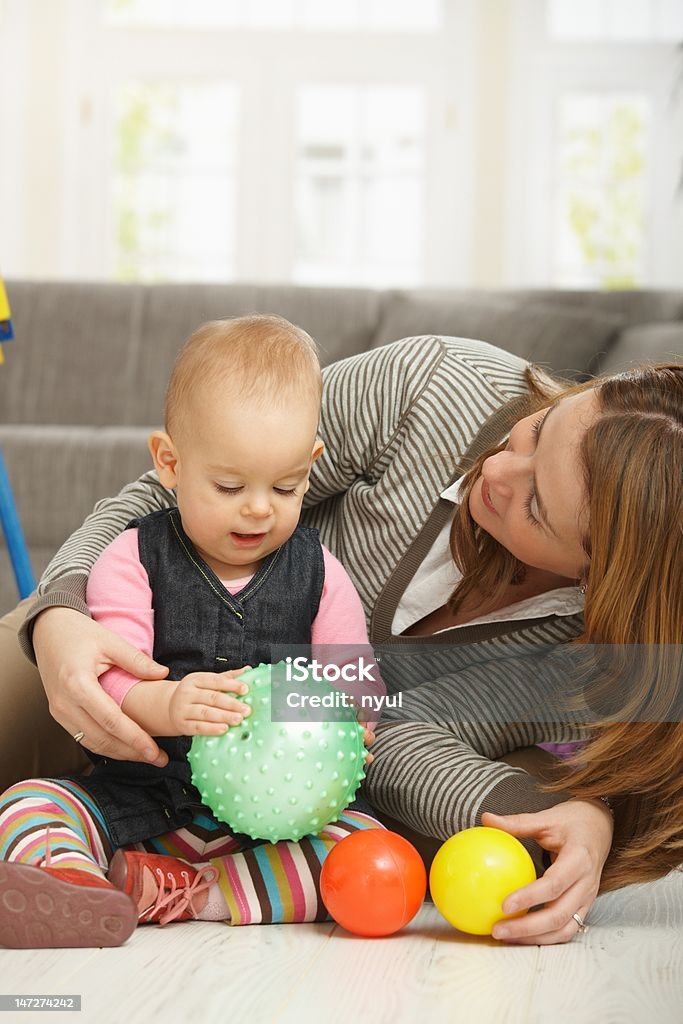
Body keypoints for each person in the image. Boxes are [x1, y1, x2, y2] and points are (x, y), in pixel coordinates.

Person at [1, 334, 681, 946]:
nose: (498, 472)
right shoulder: (429, 387)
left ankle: (173, 888)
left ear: (600, 574)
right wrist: (59, 617)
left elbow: (395, 731)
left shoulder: (586, 653)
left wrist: (568, 812)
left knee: (371, 846)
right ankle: (65, 865)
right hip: (127, 648)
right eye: (536, 430)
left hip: (281, 792)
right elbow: (155, 501)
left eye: (535, 505)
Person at [0, 315, 383, 949]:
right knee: (27, 803)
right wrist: (170, 703)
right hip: (145, 800)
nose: (258, 507)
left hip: (272, 823)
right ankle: (77, 885)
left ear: (311, 467)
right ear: (170, 463)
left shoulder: (323, 575)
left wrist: (344, 729)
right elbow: (113, 679)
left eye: (286, 487)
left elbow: (357, 691)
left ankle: (191, 893)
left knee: (361, 850)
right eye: (229, 486)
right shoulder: (132, 557)